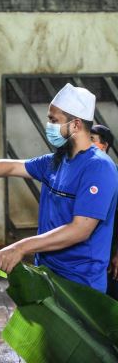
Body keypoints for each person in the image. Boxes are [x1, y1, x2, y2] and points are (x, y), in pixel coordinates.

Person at [0, 83, 118, 293]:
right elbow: (14, 166)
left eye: (54, 120)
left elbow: (80, 230)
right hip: (48, 270)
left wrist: (21, 246)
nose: (48, 125)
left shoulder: (98, 167)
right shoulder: (57, 161)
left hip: (80, 282)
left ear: (76, 125)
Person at [90, 124, 118, 299]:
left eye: (92, 140)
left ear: (104, 145)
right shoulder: (84, 170)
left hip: (110, 247)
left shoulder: (115, 173)